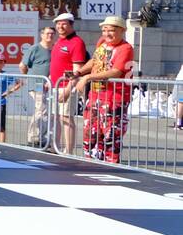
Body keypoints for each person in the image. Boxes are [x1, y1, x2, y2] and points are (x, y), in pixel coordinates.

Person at [65, 15, 135, 164]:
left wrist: (88, 78)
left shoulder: (126, 48)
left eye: (111, 30)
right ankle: (90, 164)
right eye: (104, 30)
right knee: (90, 133)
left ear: (122, 30)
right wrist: (79, 72)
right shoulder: (102, 43)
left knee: (110, 136)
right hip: (96, 96)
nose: (107, 34)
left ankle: (111, 167)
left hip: (115, 98)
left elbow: (116, 71)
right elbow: (95, 60)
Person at [50, 12, 89, 155]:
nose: (60, 26)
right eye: (58, 23)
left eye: (64, 23)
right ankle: (56, 146)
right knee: (57, 117)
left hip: (66, 86)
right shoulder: (59, 41)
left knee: (66, 118)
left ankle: (68, 150)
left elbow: (76, 70)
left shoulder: (77, 42)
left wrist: (67, 89)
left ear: (71, 24)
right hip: (55, 85)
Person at [20, 25, 55, 148]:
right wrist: (27, 78)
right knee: (41, 109)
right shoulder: (35, 49)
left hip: (51, 84)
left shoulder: (55, 49)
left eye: (51, 34)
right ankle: (33, 137)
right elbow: (23, 65)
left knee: (48, 111)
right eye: (47, 33)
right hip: (37, 85)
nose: (49, 36)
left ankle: (42, 136)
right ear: (42, 35)